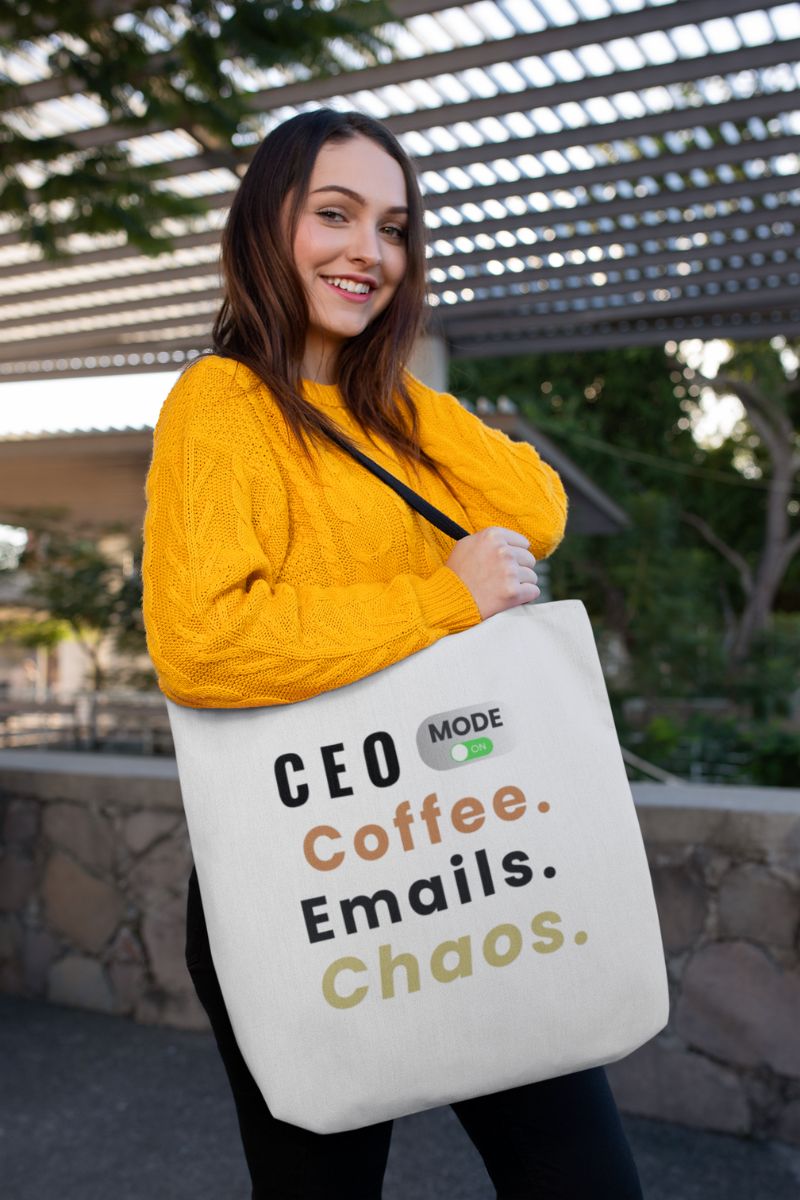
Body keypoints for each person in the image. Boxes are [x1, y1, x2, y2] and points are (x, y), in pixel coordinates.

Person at [142, 109, 643, 1200]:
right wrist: (436, 598)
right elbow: (203, 643)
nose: (367, 250)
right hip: (313, 875)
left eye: (394, 228)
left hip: (465, 853)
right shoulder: (220, 404)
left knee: (584, 1181)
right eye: (334, 214)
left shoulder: (391, 414)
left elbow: (536, 510)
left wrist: (379, 376)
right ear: (264, 226)